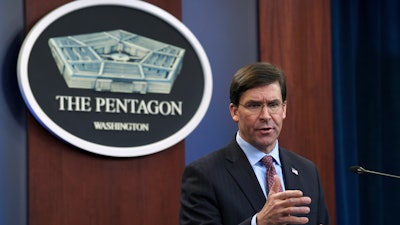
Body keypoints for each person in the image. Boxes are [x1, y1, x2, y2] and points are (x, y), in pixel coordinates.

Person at [179, 62, 330, 225]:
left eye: (273, 105)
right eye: (254, 105)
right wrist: (258, 223)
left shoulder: (307, 171)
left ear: (284, 109)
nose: (265, 115)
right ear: (235, 111)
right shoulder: (204, 174)